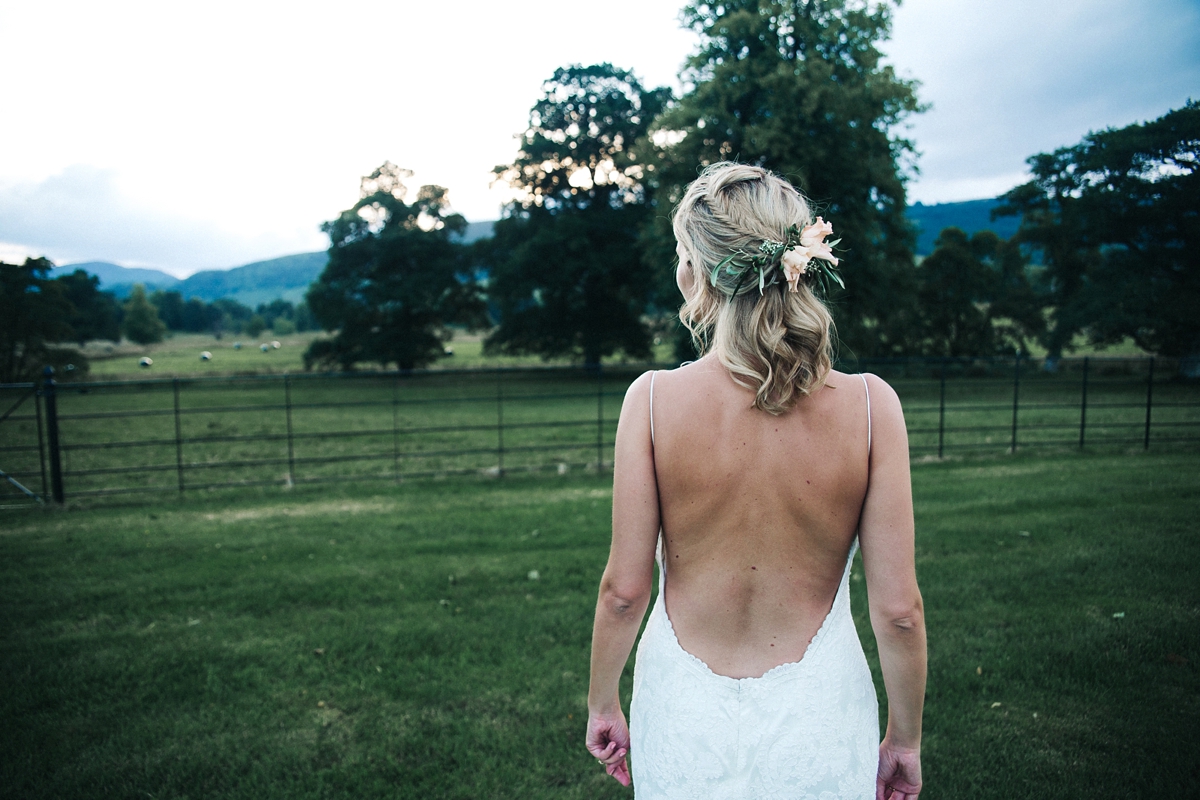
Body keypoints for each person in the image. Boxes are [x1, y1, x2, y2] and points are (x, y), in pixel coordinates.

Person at [585, 162, 926, 799]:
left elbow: (622, 592)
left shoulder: (653, 401)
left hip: (684, 714)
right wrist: (903, 741)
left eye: (681, 254)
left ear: (698, 272)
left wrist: (602, 704)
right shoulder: (874, 407)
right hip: (820, 719)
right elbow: (899, 613)